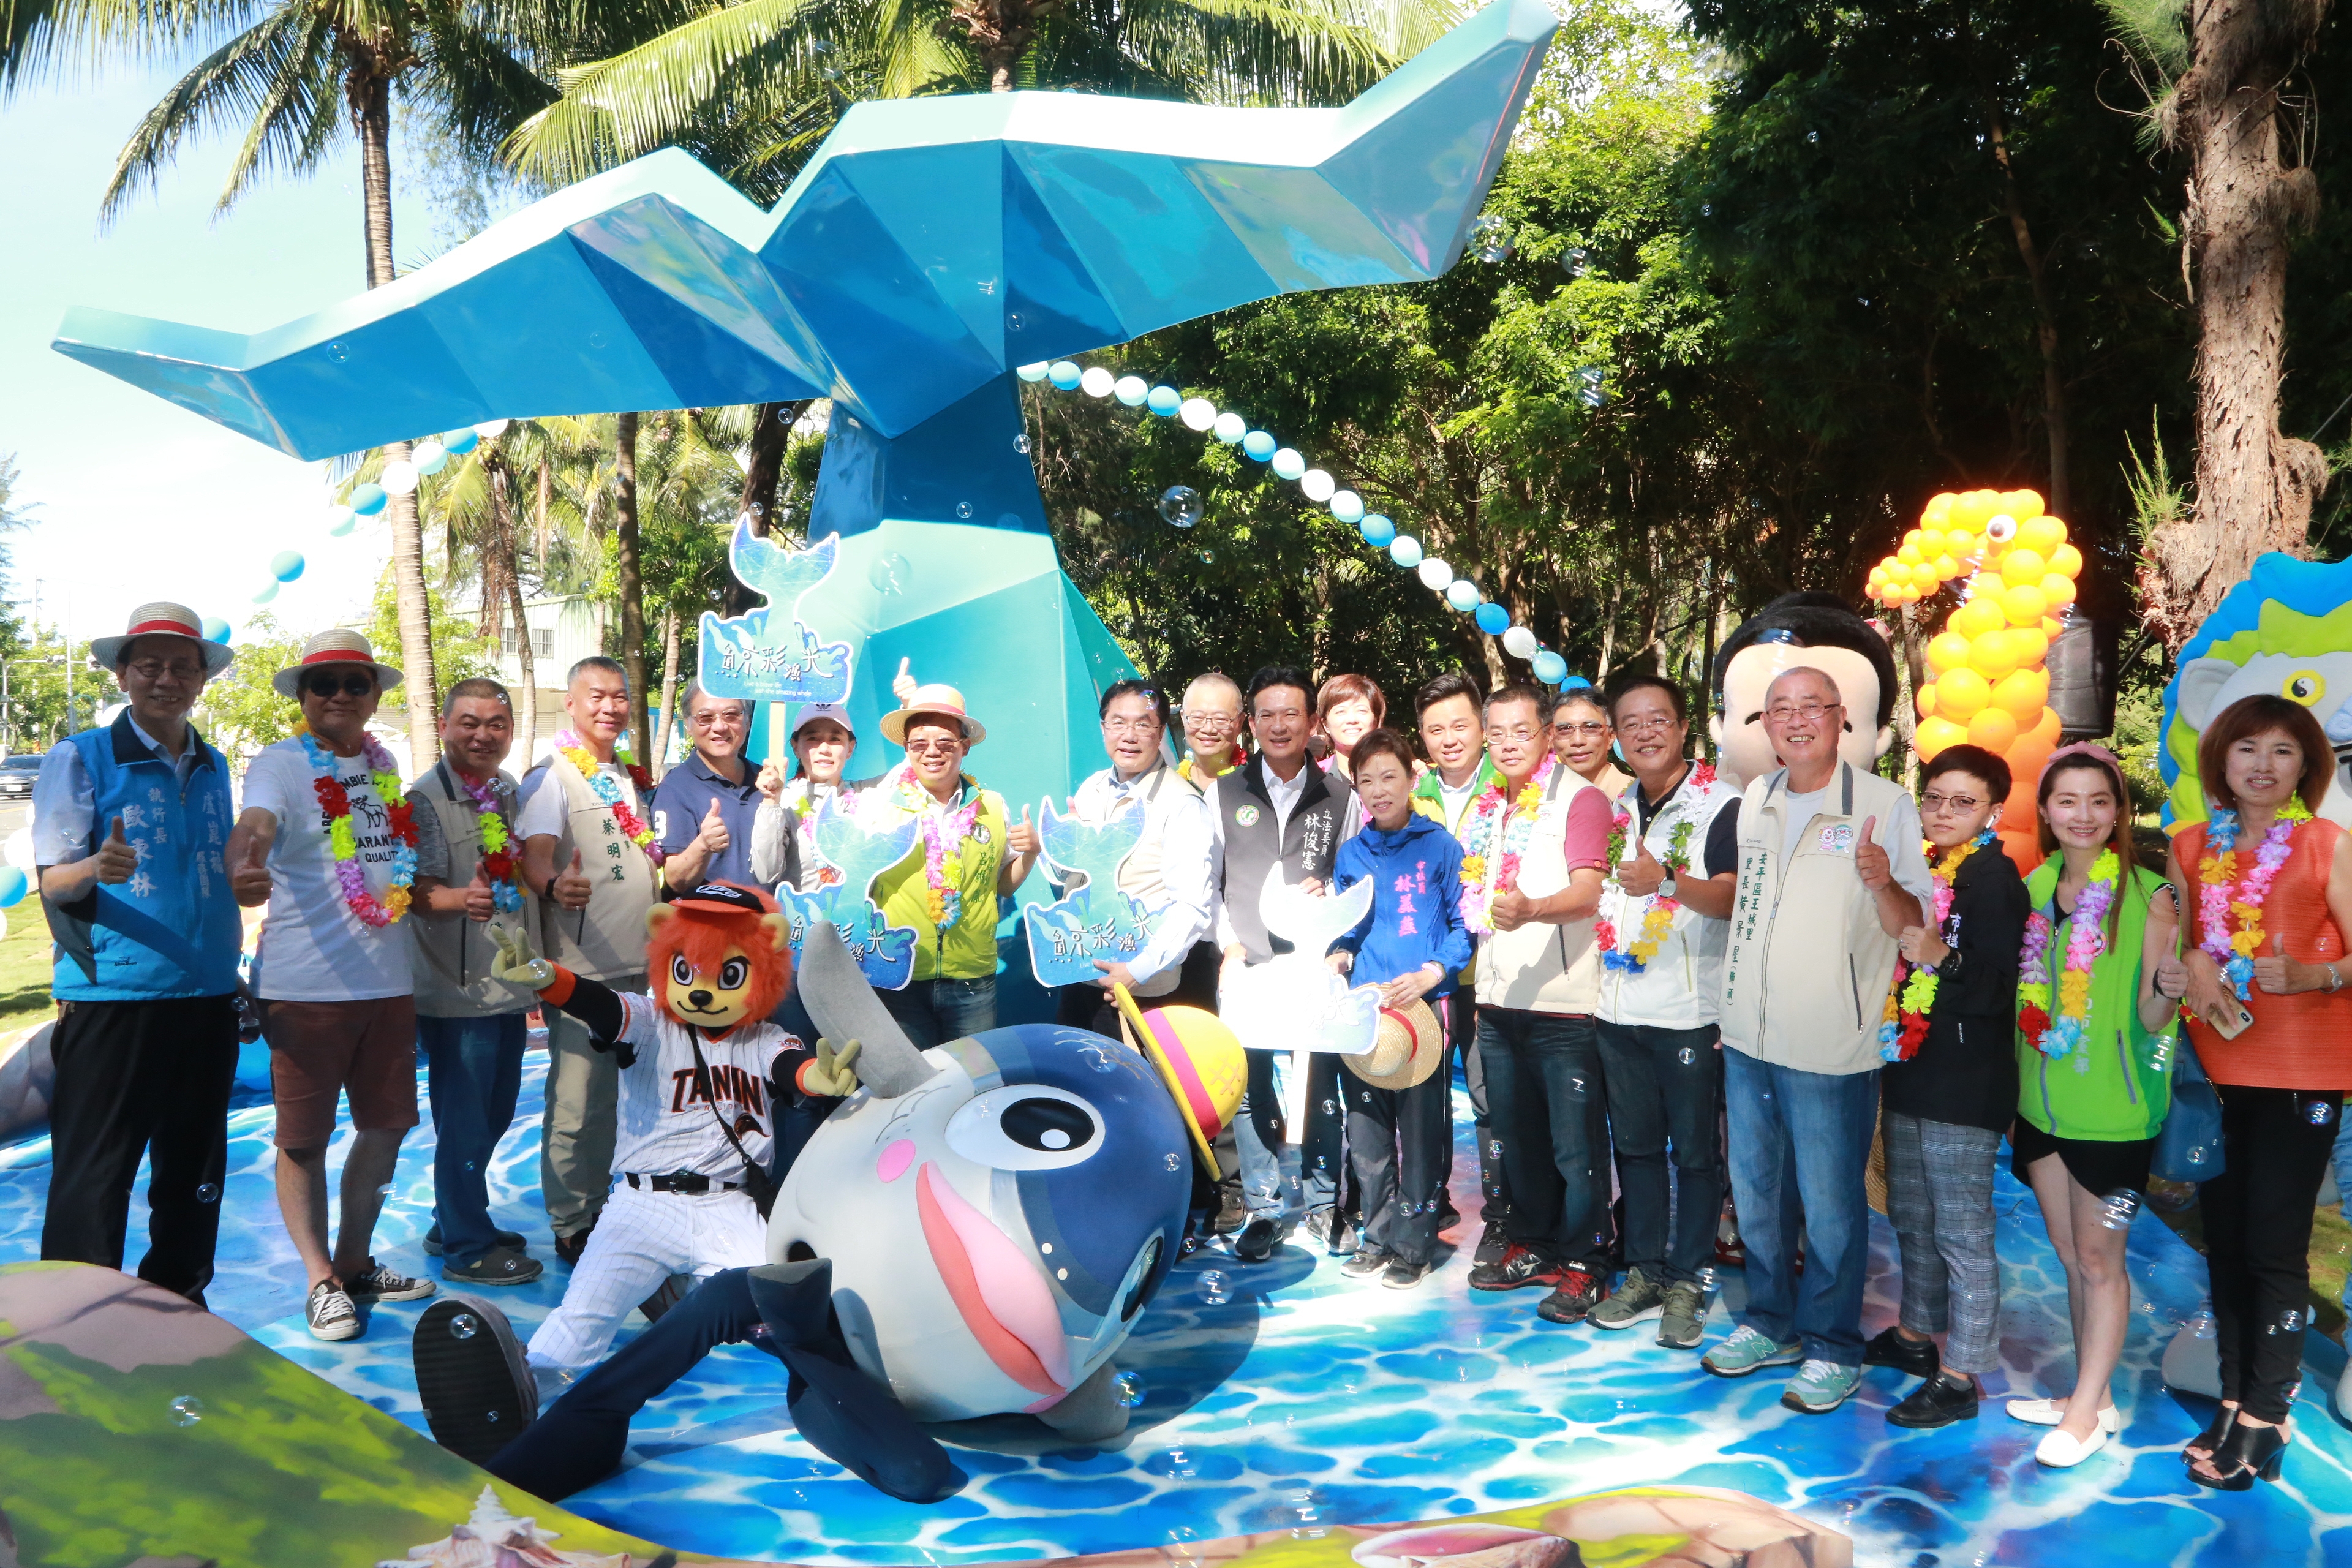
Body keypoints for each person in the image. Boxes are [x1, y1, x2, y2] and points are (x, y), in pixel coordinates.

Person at [1703, 666, 1929, 1413]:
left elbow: (1913, 929)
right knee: (1759, 1194)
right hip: (1748, 1039)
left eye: (1813, 708)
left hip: (1832, 1044)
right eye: (1780, 710)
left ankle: (1833, 1345)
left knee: (1832, 1205)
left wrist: (1882, 880)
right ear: (1763, 726)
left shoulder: (1884, 805)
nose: (1796, 721)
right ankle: (1771, 1323)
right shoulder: (1757, 799)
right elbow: (1748, 911)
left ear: (1842, 720)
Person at [226, 628, 435, 1340]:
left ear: (375, 695)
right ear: (304, 697)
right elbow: (253, 827)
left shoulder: (384, 766)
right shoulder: (281, 765)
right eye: (325, 684)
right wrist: (244, 864)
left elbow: (390, 869)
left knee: (385, 1129)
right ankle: (319, 1278)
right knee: (304, 1141)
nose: (340, 695)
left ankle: (352, 1263)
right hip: (305, 989)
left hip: (387, 985)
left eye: (355, 682)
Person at [36, 603, 242, 1308]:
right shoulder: (81, 756)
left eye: (182, 666)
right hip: (115, 996)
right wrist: (94, 865)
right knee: (96, 1176)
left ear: (201, 679)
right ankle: (71, 1322)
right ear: (123, 673)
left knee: (194, 1171)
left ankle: (177, 1307)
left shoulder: (213, 763)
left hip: (209, 994)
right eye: (149, 665)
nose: (166, 679)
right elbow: (53, 884)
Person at [2171, 696, 2352, 1488]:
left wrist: (2319, 973)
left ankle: (2268, 1414)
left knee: (2275, 1250)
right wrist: (2190, 965)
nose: (2264, 765)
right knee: (2227, 1242)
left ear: (2307, 766)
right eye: (2248, 748)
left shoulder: (2327, 845)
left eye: (2283, 751)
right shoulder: (2188, 848)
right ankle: (2237, 1390)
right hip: (2215, 1077)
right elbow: (2175, 954)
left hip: (2305, 1081)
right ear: (2223, 760)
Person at [2000, 744, 2176, 1467]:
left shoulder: (2151, 894)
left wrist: (2169, 982)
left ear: (2118, 813)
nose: (2083, 815)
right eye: (2067, 800)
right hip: (2041, 1108)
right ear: (2044, 811)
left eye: (2099, 801)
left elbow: (2156, 1019)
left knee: (2103, 1260)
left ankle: (2086, 1413)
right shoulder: (2032, 887)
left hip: (2116, 1117)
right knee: (2072, 1256)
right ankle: (2092, 1395)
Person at [1864, 744, 2027, 1428]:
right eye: (1934, 798)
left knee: (1960, 1229)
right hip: (1912, 1064)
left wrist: (1942, 956)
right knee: (1913, 1213)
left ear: (1994, 809)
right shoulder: (1928, 869)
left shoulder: (1995, 879)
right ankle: (1914, 1336)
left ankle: (1962, 1373)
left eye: (1963, 801)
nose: (1944, 812)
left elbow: (1997, 990)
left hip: (1966, 1081)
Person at [1586, 671, 1742, 1350]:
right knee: (1638, 1150)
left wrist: (1669, 881)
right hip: (1617, 1010)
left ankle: (1690, 1276)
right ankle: (1645, 1270)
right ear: (1617, 738)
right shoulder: (1621, 803)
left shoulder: (1723, 804)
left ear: (1683, 728)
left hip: (1688, 1011)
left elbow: (1734, 897)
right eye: (1631, 723)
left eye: (1659, 720)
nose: (1645, 732)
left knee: (1697, 1157)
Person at [1463, 684, 1615, 1323]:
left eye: (1519, 731)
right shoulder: (1489, 806)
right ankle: (1537, 1245)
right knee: (1518, 1138)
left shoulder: (1579, 799)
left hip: (1562, 1005)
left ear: (1547, 734)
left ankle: (1588, 1263)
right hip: (1499, 1003)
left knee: (1575, 1147)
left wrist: (1531, 911)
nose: (1506, 744)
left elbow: (1589, 892)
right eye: (1494, 733)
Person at [1212, 665, 1360, 1262]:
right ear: (1251, 723)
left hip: (1312, 967)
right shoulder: (1223, 791)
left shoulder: (1340, 794)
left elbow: (1352, 874)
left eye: (1290, 713)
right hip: (1246, 963)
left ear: (1312, 723)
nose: (1279, 725)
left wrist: (1339, 949)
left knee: (1320, 1083)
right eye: (1266, 713)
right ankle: (1265, 1208)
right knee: (1248, 1088)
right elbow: (1211, 882)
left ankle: (1325, 1205)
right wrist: (1228, 948)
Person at [518, 655, 663, 1265]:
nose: (610, 707)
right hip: (582, 975)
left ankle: (616, 1205)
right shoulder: (550, 776)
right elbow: (535, 857)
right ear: (571, 706)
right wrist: (555, 888)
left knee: (634, 1100)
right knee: (578, 1101)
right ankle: (574, 1220)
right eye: (596, 696)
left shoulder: (630, 776)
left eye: (620, 697)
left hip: (642, 968)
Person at [405, 677, 543, 1287]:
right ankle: (466, 1246)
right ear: (444, 725)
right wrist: (463, 897)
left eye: (496, 723)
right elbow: (412, 892)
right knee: (465, 1118)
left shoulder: (509, 792)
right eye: (469, 722)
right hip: (456, 991)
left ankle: (452, 1217)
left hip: (507, 982)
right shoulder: (424, 801)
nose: (483, 734)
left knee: (495, 1111)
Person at [1327, 728, 1469, 1289]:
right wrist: (1336, 955)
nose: (1379, 790)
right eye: (1367, 780)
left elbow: (1465, 927)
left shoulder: (1440, 846)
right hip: (1366, 1017)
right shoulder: (1352, 854)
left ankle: (1415, 1246)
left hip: (1424, 1015)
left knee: (1422, 1138)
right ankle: (1376, 1237)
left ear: (1413, 779)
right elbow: (1348, 932)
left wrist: (1431, 974)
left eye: (1390, 776)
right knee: (1366, 1136)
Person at [865, 684, 1040, 1046]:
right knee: (911, 1092)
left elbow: (1003, 886)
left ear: (965, 746)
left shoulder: (993, 805)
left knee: (972, 1083)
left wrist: (1031, 854)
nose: (932, 752)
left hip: (972, 980)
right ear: (906, 750)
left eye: (945, 743)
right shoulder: (881, 807)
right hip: (900, 974)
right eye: (919, 744)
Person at [1054, 679, 1217, 1034]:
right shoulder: (1091, 788)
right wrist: (1057, 850)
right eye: (1118, 722)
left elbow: (1192, 907)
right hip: (1082, 976)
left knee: (1139, 1087)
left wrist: (1138, 971)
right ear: (1103, 728)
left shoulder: (1182, 804)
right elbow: (1069, 883)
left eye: (1143, 724)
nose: (1128, 736)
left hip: (1143, 991)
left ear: (1160, 734)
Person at [1411, 671, 1509, 1261]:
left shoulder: (1515, 787)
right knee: (1422, 1096)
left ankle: (1502, 1213)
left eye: (1459, 725)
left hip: (1492, 975)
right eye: (1434, 729)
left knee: (1487, 1096)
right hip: (1425, 978)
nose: (1448, 738)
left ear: (1481, 727)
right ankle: (1430, 1202)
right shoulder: (1412, 792)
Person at [750, 703, 882, 892]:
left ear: (850, 748)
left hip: (857, 920)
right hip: (802, 919)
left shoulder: (867, 794)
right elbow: (765, 874)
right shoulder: (784, 801)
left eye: (835, 738)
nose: (824, 748)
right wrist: (771, 801)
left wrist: (908, 704)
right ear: (796, 747)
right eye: (813, 738)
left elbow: (915, 767)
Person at [654, 684, 763, 889]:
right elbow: (676, 880)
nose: (720, 727)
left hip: (770, 917)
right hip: (709, 918)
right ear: (688, 725)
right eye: (706, 718)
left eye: (731, 715)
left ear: (747, 721)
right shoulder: (675, 788)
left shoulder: (766, 782)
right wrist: (703, 845)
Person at [1552, 684, 1630, 801]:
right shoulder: (1540, 798)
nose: (1578, 741)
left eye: (1590, 728)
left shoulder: (1634, 797)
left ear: (1611, 736)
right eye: (1565, 729)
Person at [1178, 673, 1248, 787]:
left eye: (1220, 719)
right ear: (1183, 719)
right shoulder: (1167, 784)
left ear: (1240, 722)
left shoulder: (1255, 785)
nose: (1208, 729)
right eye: (1198, 718)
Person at [1317, 674, 1385, 784]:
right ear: (1325, 724)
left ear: (1376, 721)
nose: (1352, 720)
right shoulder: (1313, 777)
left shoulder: (1397, 773)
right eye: (1341, 712)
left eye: (1361, 711)